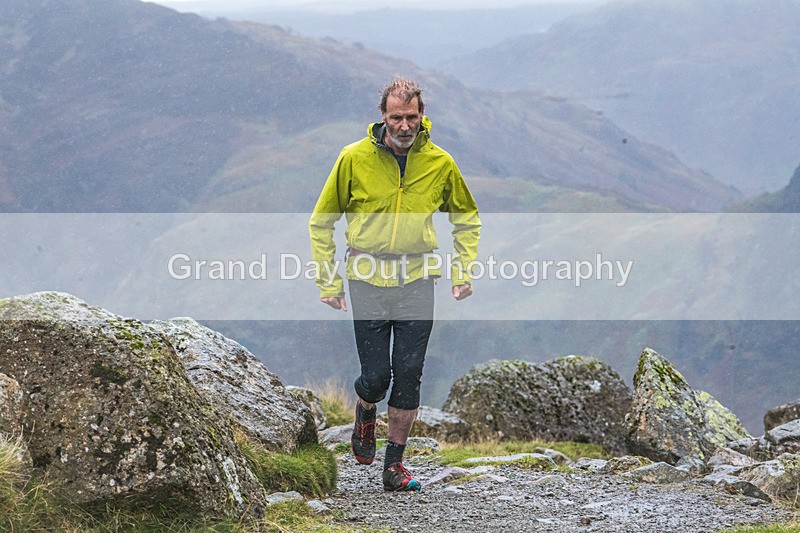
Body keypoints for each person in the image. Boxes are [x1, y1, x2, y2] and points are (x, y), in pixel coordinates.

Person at [309, 77, 481, 492]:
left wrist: (462, 272)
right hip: (366, 280)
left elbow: (466, 219)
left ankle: (394, 465)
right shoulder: (353, 158)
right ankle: (365, 409)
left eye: (412, 117)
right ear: (382, 116)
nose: (405, 126)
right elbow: (321, 221)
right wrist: (328, 280)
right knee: (376, 377)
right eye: (396, 117)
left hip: (418, 280)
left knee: (409, 373)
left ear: (422, 116)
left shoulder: (440, 163)